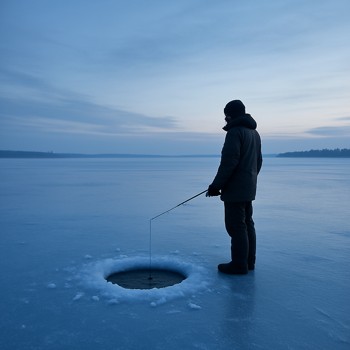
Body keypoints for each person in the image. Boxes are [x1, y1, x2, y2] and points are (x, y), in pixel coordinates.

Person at [207, 100, 262, 275]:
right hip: (248, 186)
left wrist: (216, 186)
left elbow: (229, 162)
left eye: (226, 116)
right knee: (247, 223)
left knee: (236, 226)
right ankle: (248, 262)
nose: (225, 119)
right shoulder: (254, 133)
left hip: (236, 190)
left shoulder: (234, 132)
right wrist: (250, 179)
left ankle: (239, 265)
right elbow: (258, 162)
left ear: (230, 115)